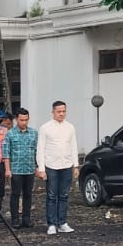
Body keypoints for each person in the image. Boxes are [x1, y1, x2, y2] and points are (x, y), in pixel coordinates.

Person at [37, 100, 80, 234]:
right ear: (53, 112)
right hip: (51, 165)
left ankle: (62, 222)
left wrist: (76, 165)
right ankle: (51, 223)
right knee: (51, 195)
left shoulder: (70, 127)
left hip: (66, 165)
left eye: (64, 111)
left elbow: (73, 146)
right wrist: (41, 168)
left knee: (64, 195)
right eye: (59, 111)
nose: (61, 114)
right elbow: (40, 149)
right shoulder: (45, 128)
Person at [2, 107, 39, 230]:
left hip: (29, 168)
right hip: (16, 169)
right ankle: (15, 219)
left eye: (26, 120)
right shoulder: (10, 134)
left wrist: (37, 166)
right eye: (21, 120)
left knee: (28, 194)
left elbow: (36, 151)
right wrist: (7, 169)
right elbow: (6, 153)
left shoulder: (34, 133)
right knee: (15, 194)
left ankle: (26, 218)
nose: (24, 122)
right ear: (16, 119)